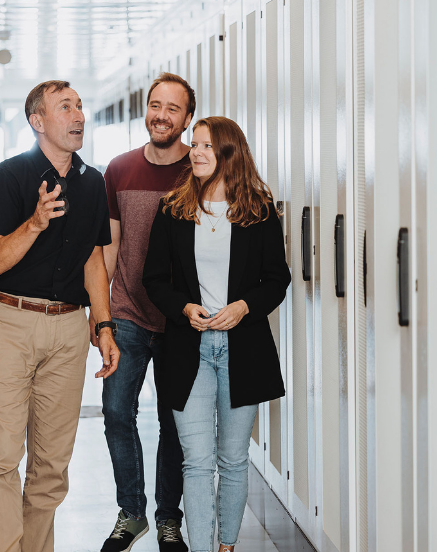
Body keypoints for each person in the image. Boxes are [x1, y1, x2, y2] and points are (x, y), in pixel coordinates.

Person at [0, 80, 120, 552]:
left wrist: (103, 326)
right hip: (11, 323)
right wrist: (36, 223)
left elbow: (93, 260)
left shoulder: (92, 182)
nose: (79, 115)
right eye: (65, 107)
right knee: (2, 457)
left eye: (80, 105)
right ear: (37, 122)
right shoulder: (7, 177)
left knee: (51, 467)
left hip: (67, 329)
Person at [142, 117, 290, 552]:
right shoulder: (174, 208)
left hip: (243, 349)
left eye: (206, 146)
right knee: (197, 461)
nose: (196, 152)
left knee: (233, 458)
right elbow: (155, 279)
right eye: (195, 145)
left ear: (230, 153)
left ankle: (227, 546)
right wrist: (183, 307)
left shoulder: (258, 210)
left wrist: (244, 307)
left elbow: (275, 279)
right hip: (189, 349)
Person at [95, 73, 193, 552]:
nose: (161, 115)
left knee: (174, 422)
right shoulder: (119, 169)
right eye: (156, 105)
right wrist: (103, 319)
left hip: (181, 320)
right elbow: (109, 249)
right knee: (116, 412)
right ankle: (132, 514)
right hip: (129, 313)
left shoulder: (198, 172)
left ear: (187, 118)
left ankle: (168, 518)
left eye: (172, 108)